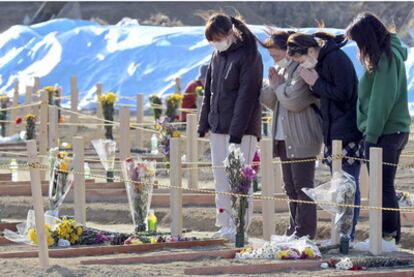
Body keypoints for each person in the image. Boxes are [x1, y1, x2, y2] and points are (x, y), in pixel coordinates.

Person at [287, 31, 363, 241]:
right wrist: (314, 84)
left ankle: (348, 234)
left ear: (311, 50)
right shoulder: (323, 61)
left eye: (300, 59)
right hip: (333, 132)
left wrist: (315, 82)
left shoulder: (335, 59)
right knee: (338, 185)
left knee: (348, 185)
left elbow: (344, 93)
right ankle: (341, 233)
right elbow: (327, 94)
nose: (302, 64)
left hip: (348, 132)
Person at [346, 12, 411, 244]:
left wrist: (371, 136)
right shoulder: (386, 56)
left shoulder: (386, 58)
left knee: (383, 186)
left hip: (386, 132)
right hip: (390, 130)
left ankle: (388, 236)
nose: (358, 47)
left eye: (359, 41)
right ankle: (386, 235)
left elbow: (381, 100)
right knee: (383, 185)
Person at [198, 13, 263, 241]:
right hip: (218, 126)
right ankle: (224, 223)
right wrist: (204, 122)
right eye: (212, 40)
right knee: (220, 178)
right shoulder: (217, 55)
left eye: (218, 38)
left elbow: (246, 97)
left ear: (229, 33)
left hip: (242, 130)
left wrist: (236, 133)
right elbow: (210, 91)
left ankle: (240, 225)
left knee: (240, 179)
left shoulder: (249, 56)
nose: (216, 43)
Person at [259, 28, 323, 239]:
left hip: (301, 136)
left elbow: (294, 101)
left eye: (276, 54)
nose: (275, 59)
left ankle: (305, 233)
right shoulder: (285, 71)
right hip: (283, 138)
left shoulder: (301, 69)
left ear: (288, 49)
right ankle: (294, 229)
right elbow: (272, 101)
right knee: (290, 187)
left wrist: (279, 87)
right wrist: (271, 85)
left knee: (303, 187)